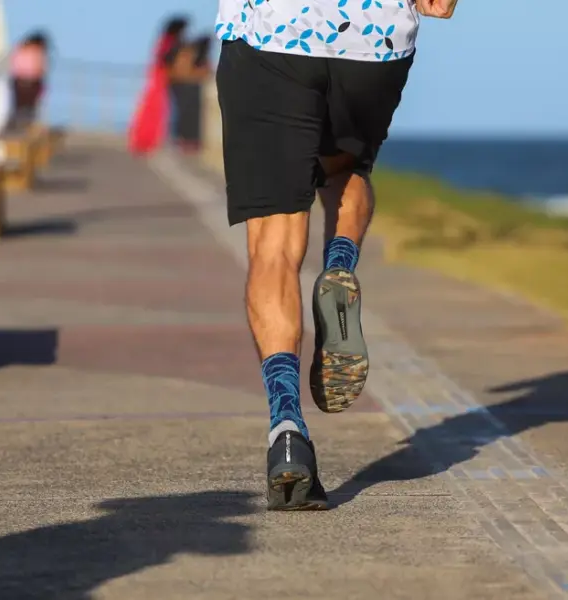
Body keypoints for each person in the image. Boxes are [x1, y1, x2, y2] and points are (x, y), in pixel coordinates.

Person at [214, 0, 458, 510]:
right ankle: (340, 265)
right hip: (372, 43)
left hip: (273, 39)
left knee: (274, 244)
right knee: (346, 169)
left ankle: (287, 427)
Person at [128, 17, 188, 154]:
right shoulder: (169, 41)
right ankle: (145, 140)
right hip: (160, 78)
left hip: (158, 77)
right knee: (154, 109)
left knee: (154, 109)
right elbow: (165, 59)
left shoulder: (164, 40)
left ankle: (146, 140)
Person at [166, 34, 212, 153]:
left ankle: (188, 139)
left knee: (189, 115)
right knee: (185, 114)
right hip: (184, 89)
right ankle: (185, 139)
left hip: (188, 90)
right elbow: (181, 73)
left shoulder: (197, 57)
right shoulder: (187, 54)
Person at [9, 31, 49, 130]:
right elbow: (41, 68)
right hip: (26, 82)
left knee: (26, 107)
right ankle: (23, 125)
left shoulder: (20, 49)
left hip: (25, 82)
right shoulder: (32, 51)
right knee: (26, 107)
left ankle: (25, 125)